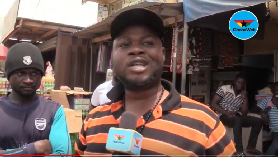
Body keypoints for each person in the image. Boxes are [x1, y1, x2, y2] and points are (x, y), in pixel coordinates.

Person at [75, 8, 236, 156]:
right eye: (124, 44)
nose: (136, 50)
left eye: (147, 43)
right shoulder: (92, 120)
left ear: (163, 54)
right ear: (112, 58)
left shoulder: (204, 122)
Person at [0, 43, 71, 155]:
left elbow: (63, 154)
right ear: (9, 76)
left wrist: (0, 153)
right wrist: (35, 148)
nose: (28, 80)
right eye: (21, 73)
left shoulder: (54, 111)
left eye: (34, 73)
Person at [211, 73, 263, 156]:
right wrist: (226, 112)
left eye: (242, 83)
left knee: (258, 121)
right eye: (238, 82)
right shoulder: (224, 89)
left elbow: (244, 113)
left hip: (236, 116)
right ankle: (239, 151)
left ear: (245, 84)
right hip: (223, 115)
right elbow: (213, 104)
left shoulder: (243, 94)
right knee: (237, 119)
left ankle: (250, 147)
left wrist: (245, 98)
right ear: (234, 82)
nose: (240, 84)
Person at [257, 82, 278, 156]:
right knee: (276, 144)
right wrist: (263, 113)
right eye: (276, 90)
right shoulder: (268, 100)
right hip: (275, 127)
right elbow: (258, 109)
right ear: (272, 91)